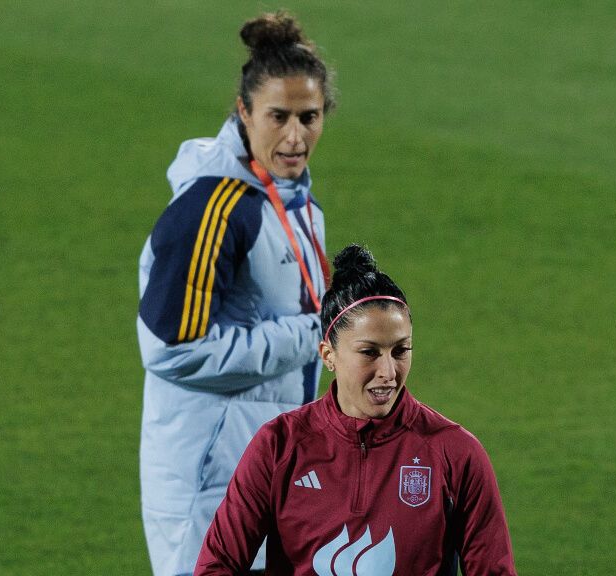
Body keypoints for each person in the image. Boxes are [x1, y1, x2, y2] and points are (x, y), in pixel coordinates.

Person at [136, 11, 335, 575]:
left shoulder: (296, 202)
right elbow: (173, 348)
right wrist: (314, 334)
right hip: (208, 476)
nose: (295, 136)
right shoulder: (214, 209)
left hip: (270, 465)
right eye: (278, 117)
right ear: (244, 113)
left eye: (309, 117)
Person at [194, 245, 517, 575]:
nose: (388, 372)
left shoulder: (455, 453)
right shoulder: (279, 446)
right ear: (328, 355)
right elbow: (218, 565)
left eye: (400, 351)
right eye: (369, 353)